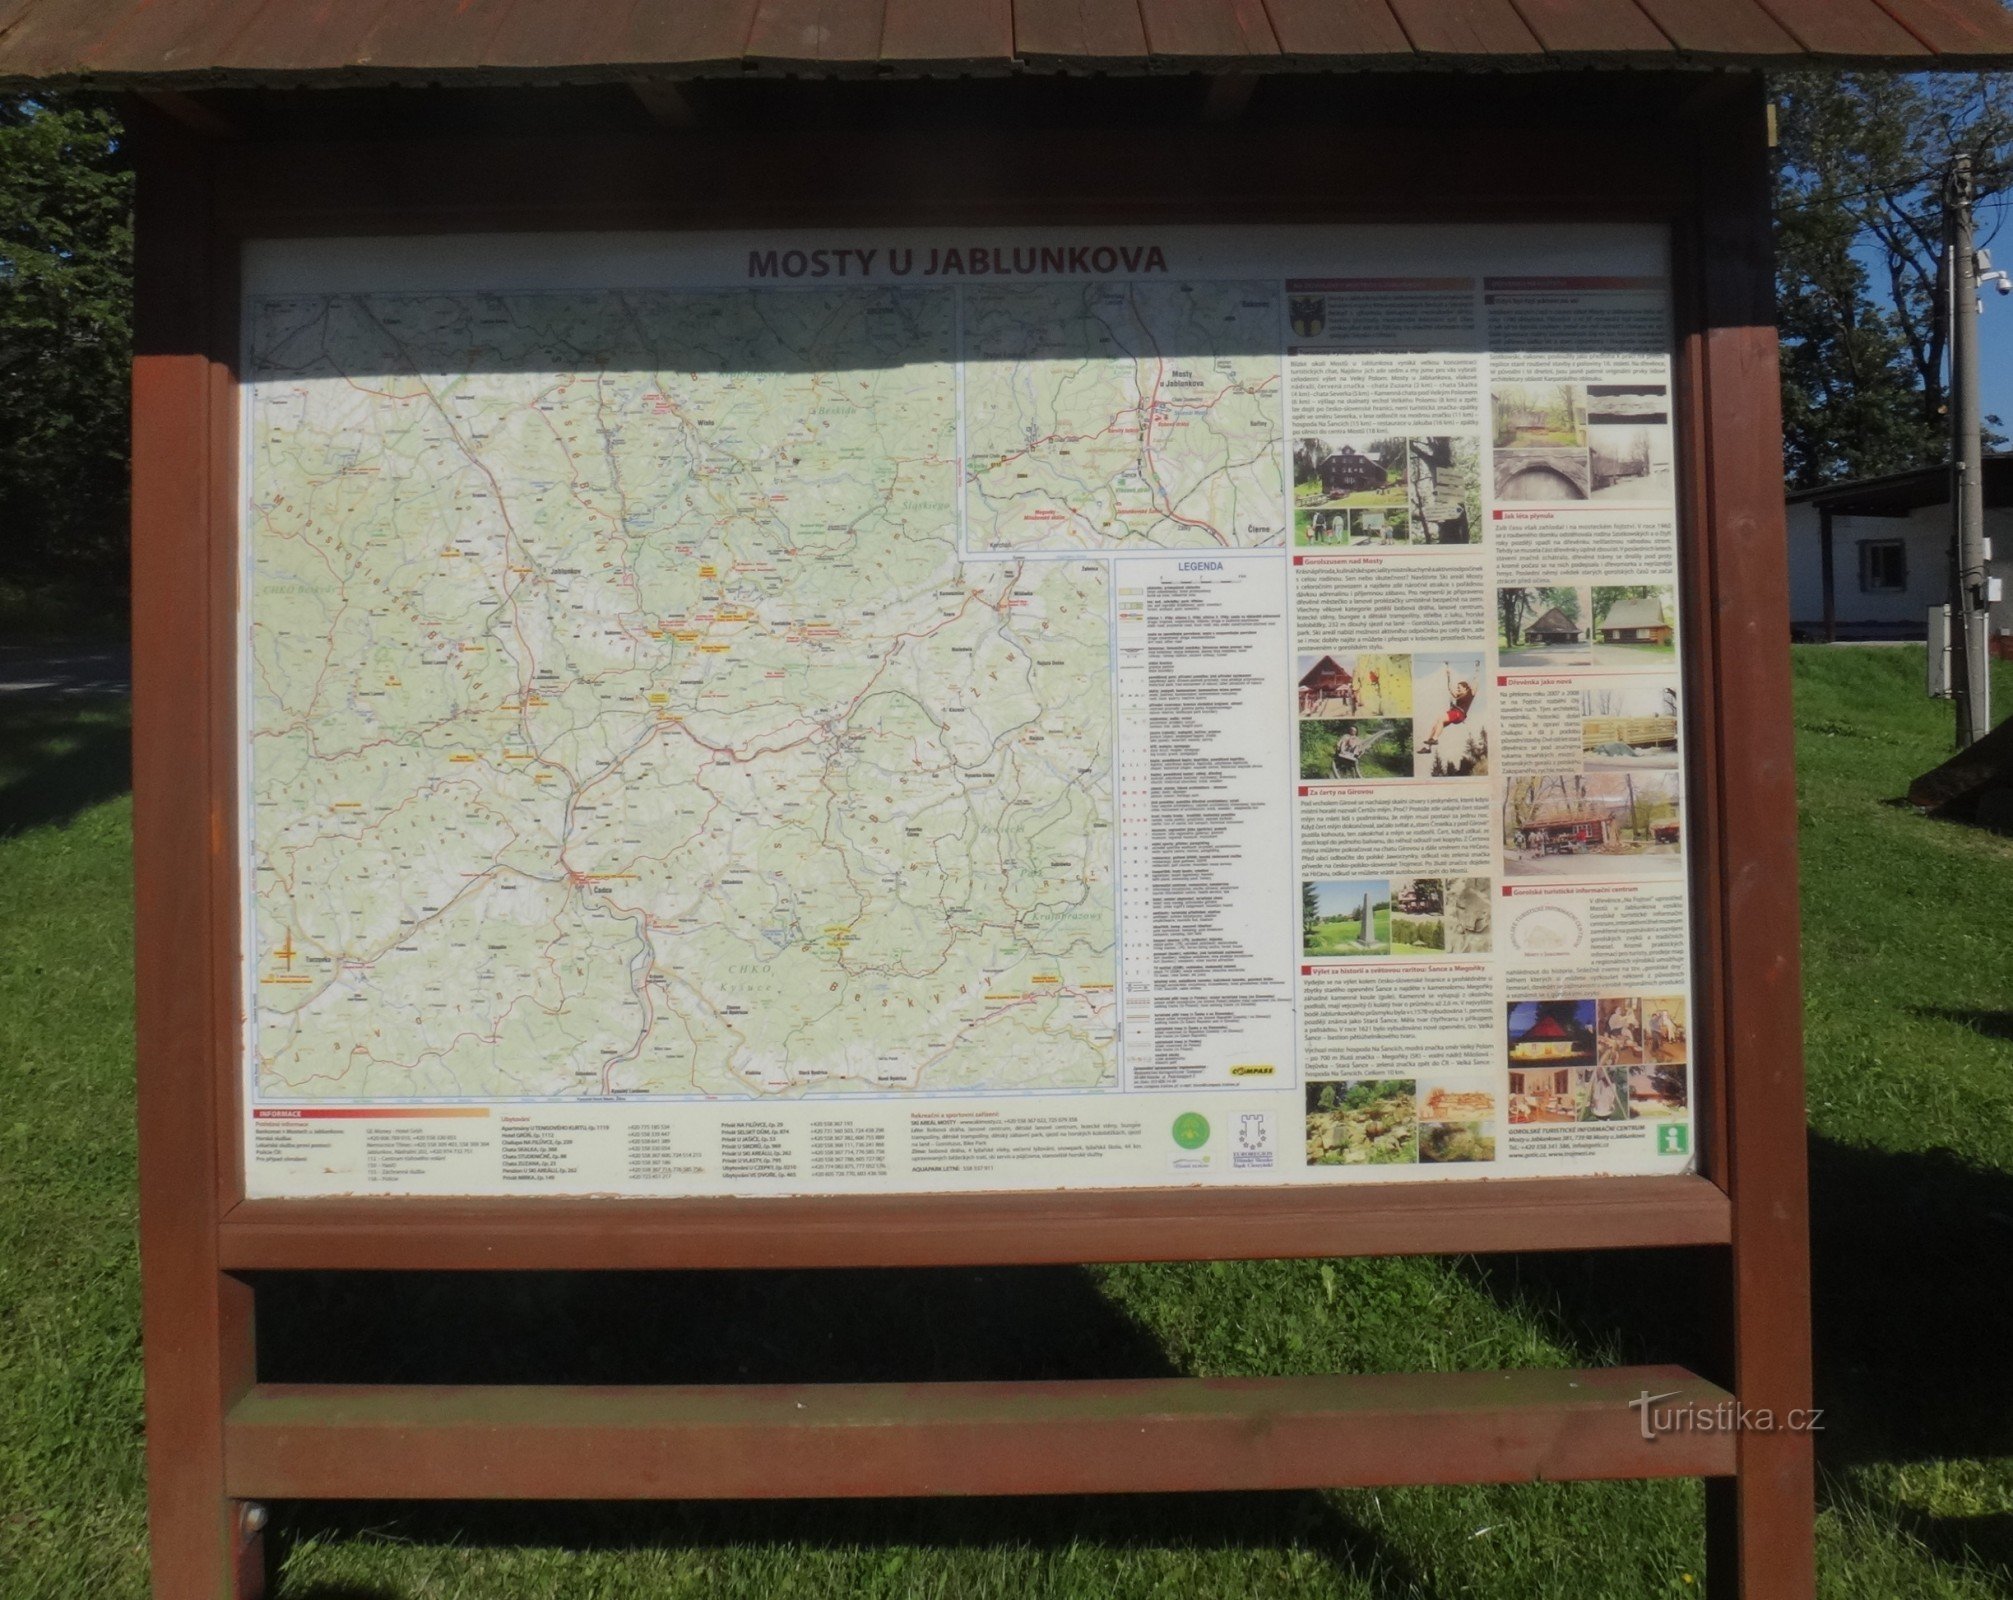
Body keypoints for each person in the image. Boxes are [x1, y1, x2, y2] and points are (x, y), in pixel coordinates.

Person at [1418, 666, 1476, 753]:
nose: (1457, 689)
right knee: (1435, 726)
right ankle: (1428, 748)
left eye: (1459, 687)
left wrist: (1476, 670)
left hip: (1459, 714)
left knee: (1440, 719)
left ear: (1465, 688)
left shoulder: (1470, 694)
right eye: (1457, 687)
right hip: (1454, 713)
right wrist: (1448, 676)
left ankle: (1435, 739)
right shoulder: (1457, 695)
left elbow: (1476, 684)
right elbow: (1449, 688)